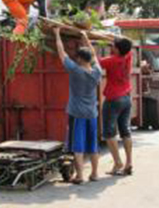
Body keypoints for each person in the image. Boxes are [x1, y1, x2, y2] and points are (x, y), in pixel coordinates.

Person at [54, 28, 102, 184]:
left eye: (77, 57)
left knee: (78, 146)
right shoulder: (97, 72)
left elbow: (62, 54)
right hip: (92, 114)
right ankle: (94, 174)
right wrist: (85, 37)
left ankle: (80, 175)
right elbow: (94, 54)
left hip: (78, 114)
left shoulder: (75, 71)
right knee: (93, 145)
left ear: (80, 59)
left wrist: (57, 34)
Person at [99, 37, 134, 176]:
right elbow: (127, 45)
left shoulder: (112, 60)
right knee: (125, 131)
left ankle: (118, 162)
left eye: (113, 46)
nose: (111, 47)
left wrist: (87, 43)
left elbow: (94, 61)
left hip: (113, 99)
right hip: (126, 97)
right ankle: (129, 162)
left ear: (118, 50)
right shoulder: (128, 56)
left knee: (109, 133)